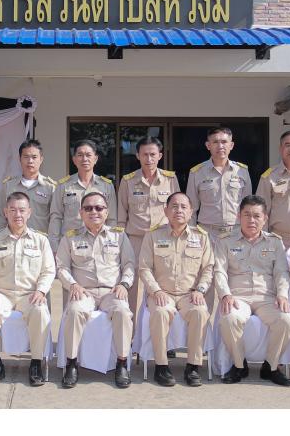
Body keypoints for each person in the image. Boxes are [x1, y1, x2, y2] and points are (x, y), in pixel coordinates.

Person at [0, 192, 55, 386]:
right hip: (1, 294)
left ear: (29, 212)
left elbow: (48, 271)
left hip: (29, 295)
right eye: (12, 210)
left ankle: (36, 363)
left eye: (21, 210)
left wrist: (41, 291)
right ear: (5, 212)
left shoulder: (41, 240)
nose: (17, 214)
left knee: (41, 312)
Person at [56, 192, 134, 389]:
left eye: (99, 208)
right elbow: (62, 267)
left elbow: (129, 264)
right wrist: (72, 284)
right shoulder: (70, 237)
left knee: (123, 312)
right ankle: (71, 363)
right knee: (74, 311)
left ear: (106, 212)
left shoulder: (119, 235)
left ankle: (122, 363)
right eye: (88, 208)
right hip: (84, 292)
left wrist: (124, 284)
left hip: (111, 292)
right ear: (81, 212)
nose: (94, 212)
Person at [214, 195, 290, 386]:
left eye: (257, 216)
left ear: (265, 218)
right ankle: (239, 365)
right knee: (229, 318)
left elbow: (282, 272)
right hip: (237, 296)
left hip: (267, 297)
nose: (252, 220)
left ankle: (271, 367)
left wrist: (282, 295)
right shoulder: (225, 241)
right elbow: (219, 271)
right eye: (247, 215)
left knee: (286, 320)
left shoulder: (275, 242)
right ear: (238, 216)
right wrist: (225, 294)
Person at [138, 192, 213, 387]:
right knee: (160, 312)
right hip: (162, 293)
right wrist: (155, 291)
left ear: (191, 212)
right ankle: (161, 366)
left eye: (183, 207)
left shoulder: (202, 237)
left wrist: (200, 290)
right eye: (174, 206)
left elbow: (208, 268)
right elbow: (144, 268)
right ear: (165, 211)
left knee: (200, 312)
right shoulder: (153, 236)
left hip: (190, 294)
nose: (179, 210)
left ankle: (193, 366)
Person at [186, 127, 252, 313]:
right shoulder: (197, 172)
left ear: (231, 145)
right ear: (208, 145)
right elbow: (191, 209)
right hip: (208, 234)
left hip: (235, 233)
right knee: (205, 279)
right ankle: (205, 325)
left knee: (234, 279)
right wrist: (191, 237)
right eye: (215, 142)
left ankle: (230, 321)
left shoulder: (242, 171)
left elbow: (248, 208)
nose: (220, 146)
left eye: (224, 142)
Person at [118, 135, 180, 323]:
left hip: (163, 240)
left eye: (153, 154)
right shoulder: (128, 181)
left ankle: (162, 334)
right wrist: (120, 244)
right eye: (145, 154)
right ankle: (131, 333)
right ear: (138, 155)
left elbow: (178, 210)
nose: (149, 159)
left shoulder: (170, 179)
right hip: (136, 240)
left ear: (160, 155)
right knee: (133, 287)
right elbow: (121, 217)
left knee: (163, 285)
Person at [49, 139, 117, 253]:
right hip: (71, 245)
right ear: (74, 160)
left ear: (95, 159)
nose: (84, 159)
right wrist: (55, 247)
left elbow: (112, 218)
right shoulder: (63, 186)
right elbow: (56, 217)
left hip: (99, 244)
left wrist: (111, 243)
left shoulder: (106, 186)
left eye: (88, 155)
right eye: (80, 155)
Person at [0, 139, 56, 234]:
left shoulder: (50, 187)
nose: (30, 161)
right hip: (13, 240)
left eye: (34, 157)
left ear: (41, 159)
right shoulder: (8, 186)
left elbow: (55, 219)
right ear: (19, 159)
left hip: (40, 241)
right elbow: (1, 217)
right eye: (26, 157)